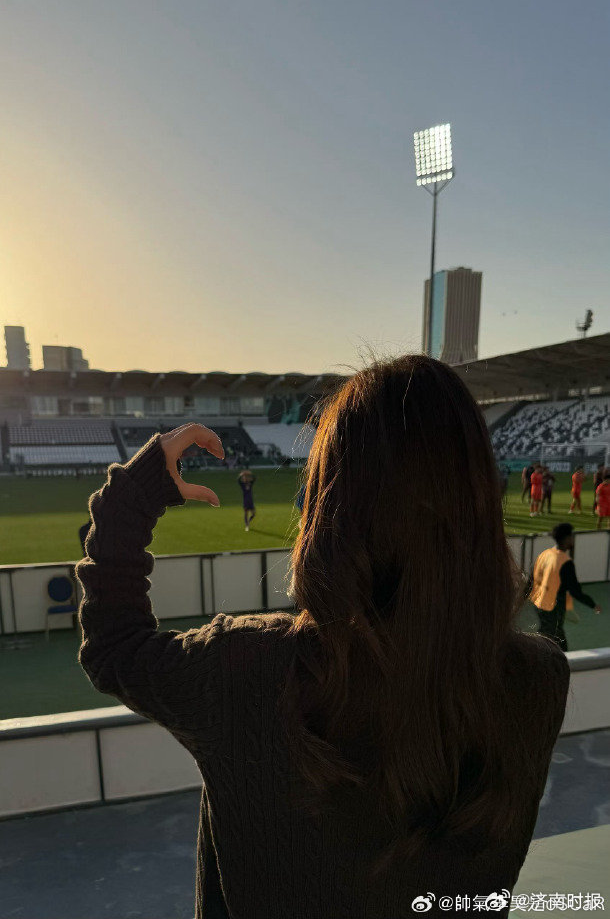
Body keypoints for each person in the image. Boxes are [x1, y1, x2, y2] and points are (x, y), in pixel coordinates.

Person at [75, 358, 571, 917]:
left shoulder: (247, 669)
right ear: (478, 498)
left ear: (328, 504)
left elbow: (114, 647)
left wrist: (129, 501)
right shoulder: (540, 680)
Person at [530, 522, 601, 651]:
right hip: (552, 606)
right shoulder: (565, 562)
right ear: (567, 538)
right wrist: (593, 604)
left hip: (539, 603)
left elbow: (532, 577)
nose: (573, 539)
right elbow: (575, 591)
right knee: (553, 637)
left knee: (549, 633)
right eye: (571, 536)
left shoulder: (545, 554)